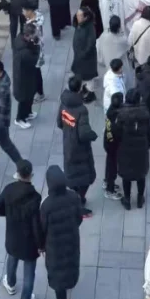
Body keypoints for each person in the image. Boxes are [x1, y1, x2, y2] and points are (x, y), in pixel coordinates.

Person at [0, 158, 43, 299]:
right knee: (29, 272)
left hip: (13, 236)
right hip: (29, 242)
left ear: (17, 174)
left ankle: (11, 284)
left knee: (12, 258)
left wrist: (8, 213)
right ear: (31, 175)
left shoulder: (9, 189)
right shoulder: (35, 197)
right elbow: (36, 225)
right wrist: (41, 245)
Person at [40, 165, 83, 299]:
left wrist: (42, 245)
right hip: (71, 242)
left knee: (58, 280)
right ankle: (70, 283)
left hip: (54, 248)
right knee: (70, 267)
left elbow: (42, 228)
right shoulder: (73, 197)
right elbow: (79, 218)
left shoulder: (46, 205)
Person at [57, 74, 97, 211]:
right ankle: (79, 202)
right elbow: (84, 133)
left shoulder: (63, 103)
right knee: (86, 177)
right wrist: (93, 135)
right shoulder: (81, 110)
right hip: (80, 149)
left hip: (68, 143)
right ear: (80, 89)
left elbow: (59, 122)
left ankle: (76, 198)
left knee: (72, 175)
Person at [115, 86, 150, 208]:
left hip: (125, 150)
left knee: (127, 176)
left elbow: (117, 134)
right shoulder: (145, 113)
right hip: (141, 150)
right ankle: (140, 199)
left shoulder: (121, 115)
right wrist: (148, 144)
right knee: (141, 175)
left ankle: (127, 200)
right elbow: (149, 133)